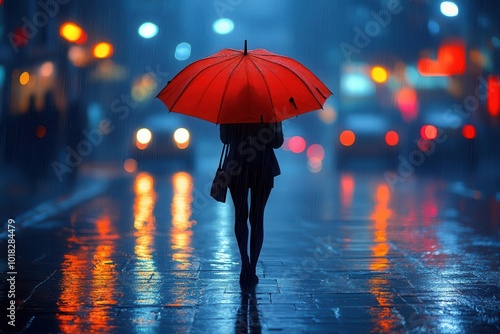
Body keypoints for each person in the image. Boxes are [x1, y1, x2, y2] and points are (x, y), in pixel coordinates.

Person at [220, 122, 284, 287]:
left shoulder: (231, 106)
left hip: (237, 165)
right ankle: (252, 267)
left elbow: (225, 139)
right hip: (262, 166)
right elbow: (277, 142)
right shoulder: (270, 108)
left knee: (240, 214)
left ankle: (244, 262)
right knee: (257, 217)